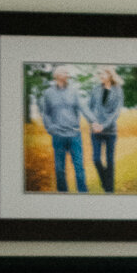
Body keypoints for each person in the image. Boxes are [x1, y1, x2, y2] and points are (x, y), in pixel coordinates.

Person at [37, 65, 87, 194]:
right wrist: (50, 128)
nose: (68, 74)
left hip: (74, 134)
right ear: (58, 76)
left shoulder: (74, 91)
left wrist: (94, 121)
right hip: (58, 135)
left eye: (68, 72)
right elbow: (46, 113)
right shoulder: (48, 93)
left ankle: (84, 195)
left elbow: (82, 107)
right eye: (65, 72)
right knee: (59, 169)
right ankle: (63, 194)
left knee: (79, 167)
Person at [86, 65, 124, 195]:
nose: (101, 76)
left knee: (110, 161)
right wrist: (93, 123)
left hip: (110, 131)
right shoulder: (95, 89)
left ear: (110, 75)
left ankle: (110, 190)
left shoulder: (118, 90)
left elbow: (116, 112)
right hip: (95, 131)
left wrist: (104, 125)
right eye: (100, 74)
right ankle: (105, 182)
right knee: (96, 159)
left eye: (103, 74)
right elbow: (89, 108)